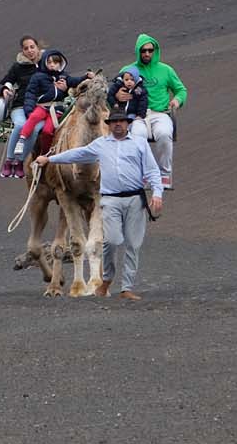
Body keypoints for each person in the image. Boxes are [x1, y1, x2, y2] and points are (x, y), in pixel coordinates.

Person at [35, 108, 164, 300]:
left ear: (127, 124)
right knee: (111, 241)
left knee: (133, 244)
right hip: (110, 199)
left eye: (121, 121)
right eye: (114, 122)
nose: (118, 124)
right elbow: (78, 154)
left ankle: (126, 288)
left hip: (135, 199)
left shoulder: (139, 144)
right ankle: (106, 280)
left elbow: (152, 170)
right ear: (109, 124)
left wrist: (157, 193)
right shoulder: (101, 144)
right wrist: (50, 159)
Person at [10, 48, 85, 175]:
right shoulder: (38, 77)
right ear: (45, 63)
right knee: (33, 117)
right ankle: (21, 140)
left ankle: (44, 154)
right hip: (42, 106)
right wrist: (29, 109)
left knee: (47, 130)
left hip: (56, 110)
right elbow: (31, 93)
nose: (52, 65)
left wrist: (86, 77)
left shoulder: (64, 77)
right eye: (49, 62)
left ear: (60, 63)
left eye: (55, 62)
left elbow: (75, 81)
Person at [130, 33, 187, 192]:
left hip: (160, 113)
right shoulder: (130, 70)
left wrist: (177, 100)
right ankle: (142, 175)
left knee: (163, 133)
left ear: (155, 51)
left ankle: (164, 175)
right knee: (137, 135)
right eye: (143, 50)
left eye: (150, 50)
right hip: (138, 115)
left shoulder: (166, 70)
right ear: (138, 51)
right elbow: (116, 89)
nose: (147, 53)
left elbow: (181, 90)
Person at [0, 36, 43, 178]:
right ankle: (9, 161)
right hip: (20, 105)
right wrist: (3, 89)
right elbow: (0, 84)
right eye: (26, 48)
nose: (30, 50)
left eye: (32, 47)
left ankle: (20, 162)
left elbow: (62, 75)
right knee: (21, 125)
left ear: (37, 47)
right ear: (23, 50)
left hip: (41, 107)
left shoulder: (47, 62)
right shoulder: (18, 67)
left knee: (35, 130)